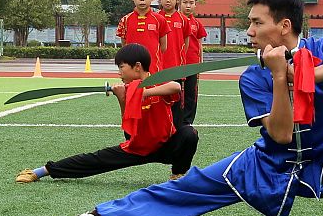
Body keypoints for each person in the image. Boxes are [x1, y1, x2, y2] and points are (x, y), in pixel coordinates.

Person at [50, 0, 323, 216]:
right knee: (190, 188)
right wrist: (281, 77)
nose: (249, 31)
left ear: (284, 26)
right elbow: (281, 135)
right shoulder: (254, 77)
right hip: (271, 159)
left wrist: (307, 75)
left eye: (257, 23)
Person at [15, 43, 199, 185]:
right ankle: (41, 171)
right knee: (93, 160)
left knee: (189, 133)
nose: (119, 73)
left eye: (121, 67)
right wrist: (122, 98)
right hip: (137, 147)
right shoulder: (128, 90)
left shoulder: (157, 82)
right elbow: (128, 127)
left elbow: (175, 87)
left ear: (137, 67)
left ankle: (178, 174)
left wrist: (143, 92)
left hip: (165, 145)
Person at [115, 0, 168, 74]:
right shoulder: (125, 20)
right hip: (132, 69)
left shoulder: (160, 20)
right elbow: (124, 45)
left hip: (153, 69)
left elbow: (163, 47)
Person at [157, 0, 189, 126]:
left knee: (176, 103)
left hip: (176, 68)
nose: (168, 0)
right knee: (158, 101)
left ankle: (176, 129)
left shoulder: (183, 20)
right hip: (158, 69)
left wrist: (179, 60)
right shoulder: (155, 18)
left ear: (177, 0)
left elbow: (185, 43)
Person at [179, 0, 208, 125]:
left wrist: (200, 62)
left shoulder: (197, 24)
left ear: (195, 4)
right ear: (179, 2)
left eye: (191, 3)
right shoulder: (175, 21)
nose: (188, 6)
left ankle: (188, 121)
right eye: (185, 2)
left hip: (193, 65)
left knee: (191, 93)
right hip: (177, 64)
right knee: (177, 93)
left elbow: (199, 45)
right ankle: (175, 120)